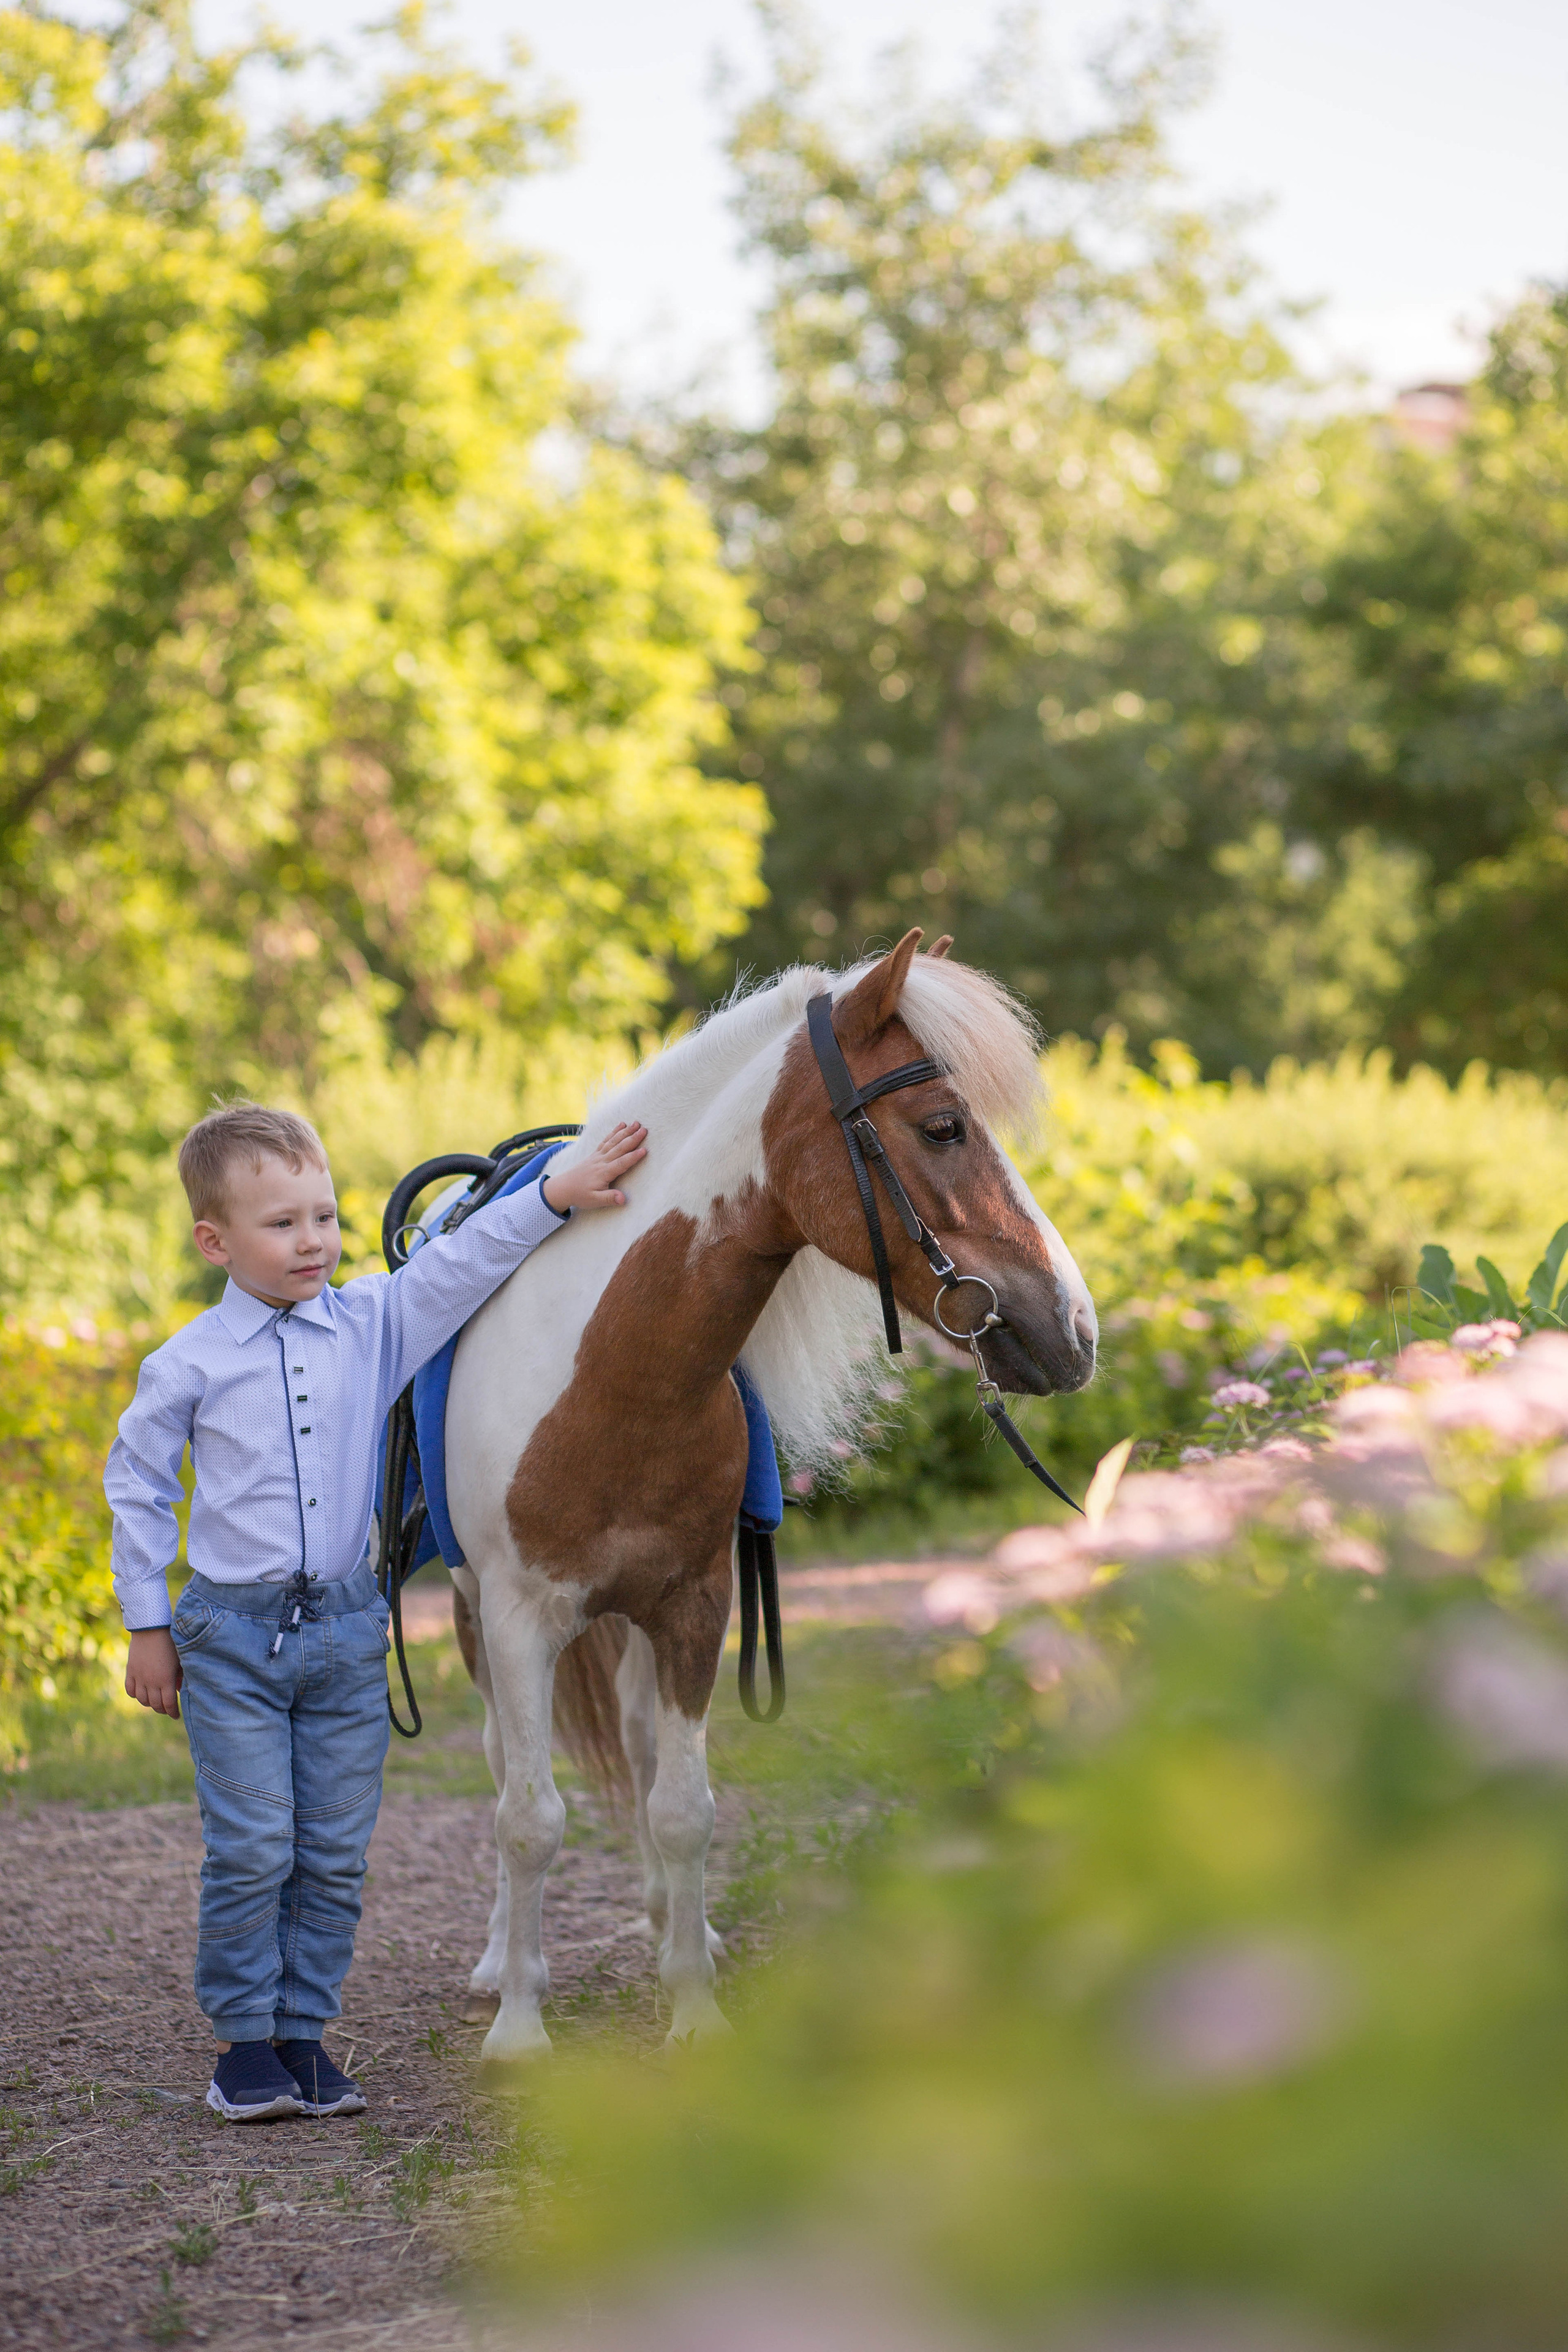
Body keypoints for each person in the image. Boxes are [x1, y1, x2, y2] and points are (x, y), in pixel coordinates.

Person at [105, 1101, 646, 2124]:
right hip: (231, 1641)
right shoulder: (186, 1365)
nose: (313, 1241)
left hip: (349, 1633)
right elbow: (137, 1485)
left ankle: (305, 2037)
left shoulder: (371, 1325)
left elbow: (464, 1259)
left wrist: (552, 1194)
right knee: (258, 1842)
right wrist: (147, 1624)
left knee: (335, 1850)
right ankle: (243, 2044)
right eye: (282, 1225)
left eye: (325, 1216)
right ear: (214, 1241)